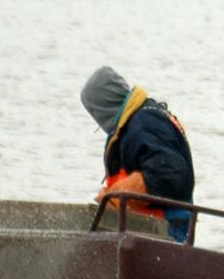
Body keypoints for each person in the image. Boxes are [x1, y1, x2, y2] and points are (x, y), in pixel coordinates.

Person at [80, 66, 196, 243]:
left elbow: (170, 174)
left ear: (103, 106)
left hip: (166, 230)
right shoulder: (136, 121)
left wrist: (114, 197)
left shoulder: (144, 124)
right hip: (143, 229)